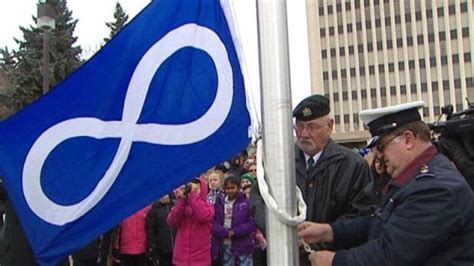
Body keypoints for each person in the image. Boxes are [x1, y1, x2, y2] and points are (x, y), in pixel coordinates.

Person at [297, 101, 474, 266]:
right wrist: (329, 231)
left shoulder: (435, 189)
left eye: (382, 147)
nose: (378, 156)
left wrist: (334, 260)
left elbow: (390, 255)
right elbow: (378, 222)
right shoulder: (412, 180)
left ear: (407, 140)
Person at [292, 95, 374, 263]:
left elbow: (363, 218)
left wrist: (323, 236)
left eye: (312, 127)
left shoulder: (353, 165)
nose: (304, 134)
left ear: (330, 126)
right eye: (299, 127)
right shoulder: (282, 165)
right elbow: (259, 202)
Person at [167, 177, 214, 266]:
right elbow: (171, 221)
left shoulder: (209, 206)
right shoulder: (182, 206)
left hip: (199, 259)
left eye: (197, 188)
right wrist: (181, 200)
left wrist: (193, 195)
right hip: (181, 258)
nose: (194, 191)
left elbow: (203, 216)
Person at [212, 175, 256, 266]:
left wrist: (235, 231)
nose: (230, 190)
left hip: (243, 243)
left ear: (238, 187)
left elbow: (252, 224)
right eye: (227, 188)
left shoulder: (245, 202)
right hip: (225, 243)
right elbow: (214, 223)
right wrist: (225, 232)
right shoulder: (220, 203)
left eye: (232, 188)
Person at [146, 194, 176, 266]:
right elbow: (151, 232)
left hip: (176, 248)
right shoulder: (154, 211)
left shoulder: (174, 206)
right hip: (162, 250)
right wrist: (153, 250)